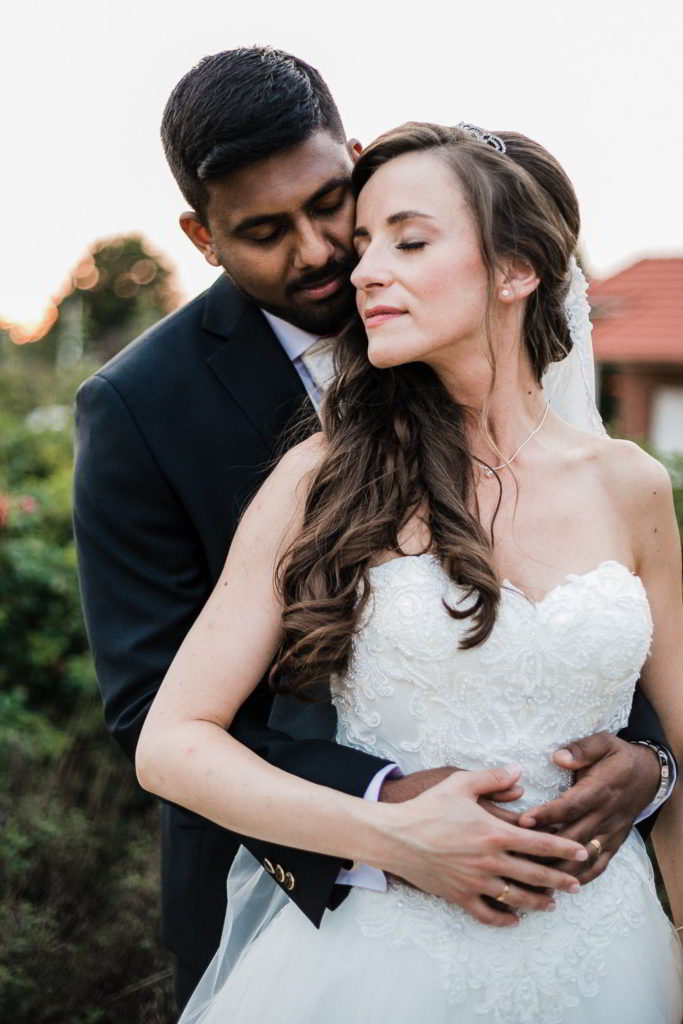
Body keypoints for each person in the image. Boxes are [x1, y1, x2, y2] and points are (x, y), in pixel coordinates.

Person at [72, 47, 675, 1013]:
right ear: (203, 235)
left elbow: (613, 650)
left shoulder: (615, 475)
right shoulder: (152, 411)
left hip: (594, 933)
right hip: (329, 915)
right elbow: (159, 715)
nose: (328, 258)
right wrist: (388, 815)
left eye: (333, 210)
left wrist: (649, 769)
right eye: (265, 232)